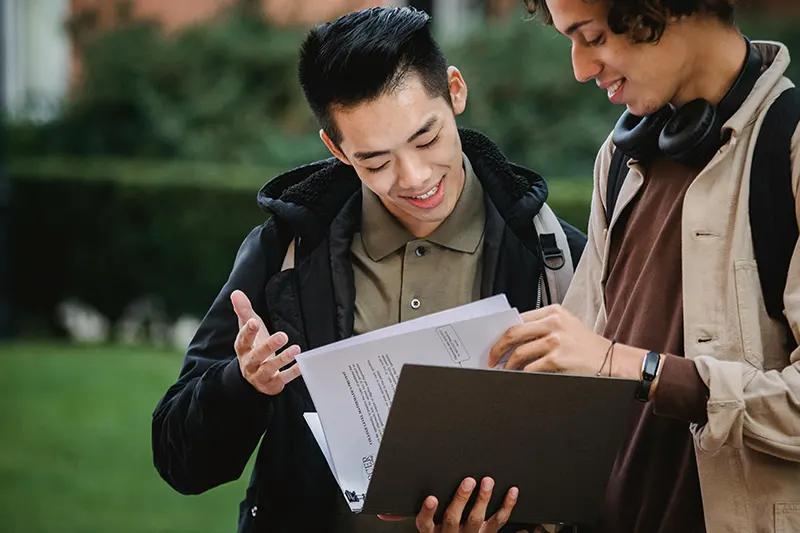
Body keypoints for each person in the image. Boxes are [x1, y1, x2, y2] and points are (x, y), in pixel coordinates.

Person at [150, 6, 587, 533]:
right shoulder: (285, 255)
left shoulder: (556, 257)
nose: (416, 177)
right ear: (336, 149)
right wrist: (242, 385)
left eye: (427, 139)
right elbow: (182, 463)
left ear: (455, 91)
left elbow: (607, 468)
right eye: (376, 161)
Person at [481, 1, 800, 532]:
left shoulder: (788, 151)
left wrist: (639, 370)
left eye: (593, 36)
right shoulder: (619, 157)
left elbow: (608, 360)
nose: (580, 68)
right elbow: (578, 378)